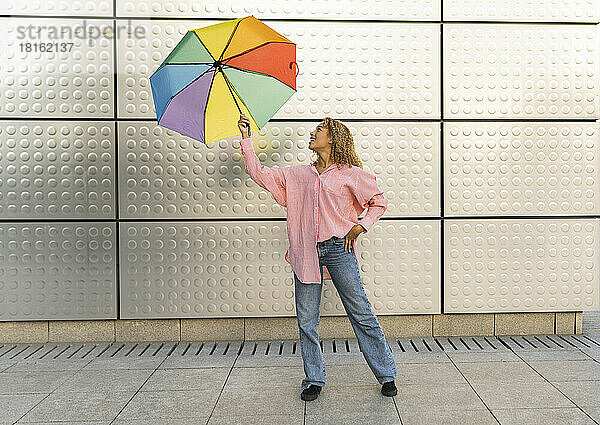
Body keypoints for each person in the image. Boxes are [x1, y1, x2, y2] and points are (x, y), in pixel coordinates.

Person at [237, 113, 397, 401]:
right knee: (306, 320)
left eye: (319, 130)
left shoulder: (351, 174)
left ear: (333, 138)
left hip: (339, 249)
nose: (313, 133)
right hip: (306, 252)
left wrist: (360, 227)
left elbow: (379, 202)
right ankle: (314, 379)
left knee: (361, 313)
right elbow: (260, 174)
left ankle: (386, 374)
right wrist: (246, 138)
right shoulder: (298, 174)